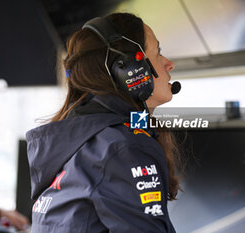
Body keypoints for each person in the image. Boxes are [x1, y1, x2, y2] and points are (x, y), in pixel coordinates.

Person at [26, 12, 181, 233]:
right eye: (158, 53)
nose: (169, 64)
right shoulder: (121, 147)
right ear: (128, 70)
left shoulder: (84, 141)